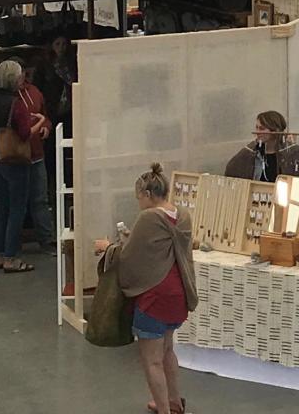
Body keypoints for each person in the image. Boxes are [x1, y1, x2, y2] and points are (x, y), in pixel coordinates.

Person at [94, 163, 197, 414]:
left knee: (152, 360)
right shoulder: (182, 215)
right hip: (178, 292)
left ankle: (163, 409)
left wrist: (107, 248)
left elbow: (128, 256)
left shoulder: (149, 217)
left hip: (155, 294)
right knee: (168, 350)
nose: (138, 202)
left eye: (139, 197)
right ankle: (174, 402)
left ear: (148, 194)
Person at [0, 58, 35, 273]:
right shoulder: (16, 103)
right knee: (17, 209)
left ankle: (0, 253)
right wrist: (39, 122)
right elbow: (24, 132)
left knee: (3, 206)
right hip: (14, 159)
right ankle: (11, 257)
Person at [223, 110, 299, 183]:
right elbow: (232, 171)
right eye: (256, 127)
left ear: (275, 130)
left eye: (262, 128)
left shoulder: (295, 154)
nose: (257, 132)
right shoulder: (250, 152)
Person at [18, 62, 56, 251]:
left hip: (36, 153)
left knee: (40, 199)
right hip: (15, 157)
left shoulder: (34, 92)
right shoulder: (5, 97)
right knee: (17, 203)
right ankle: (12, 243)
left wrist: (46, 127)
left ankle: (46, 239)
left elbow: (45, 116)